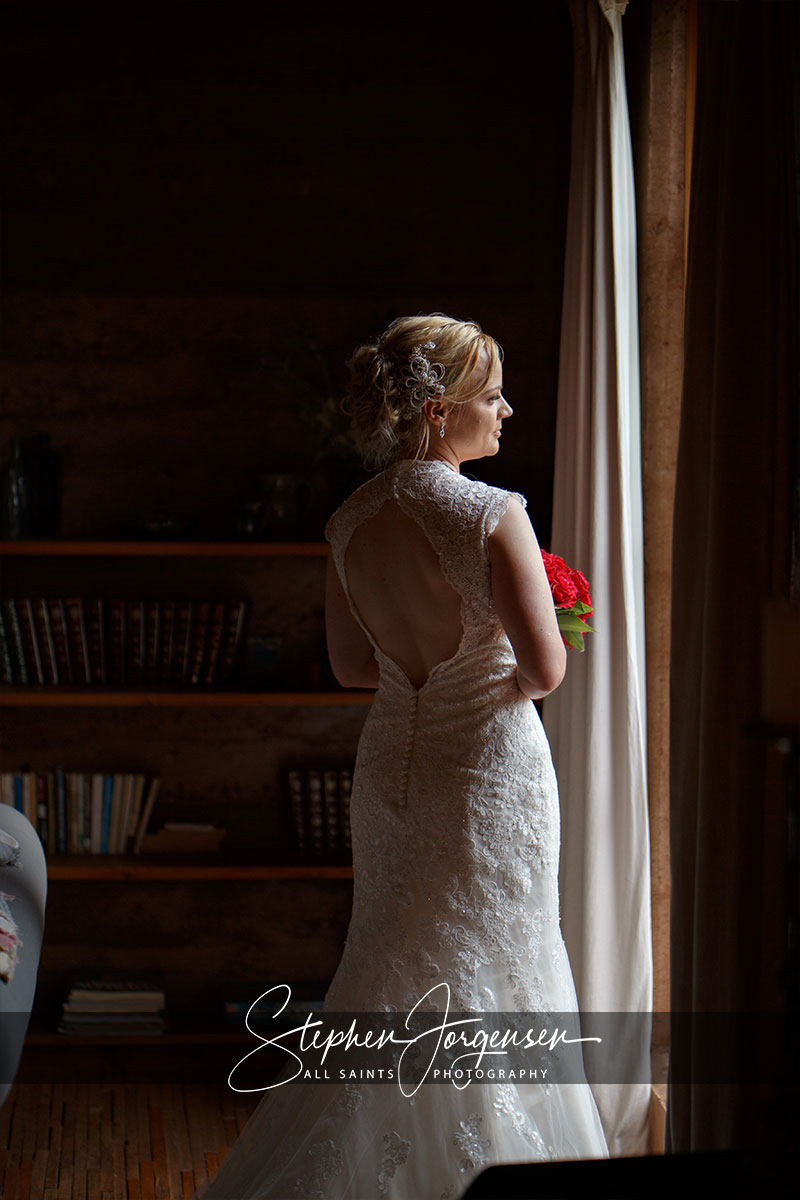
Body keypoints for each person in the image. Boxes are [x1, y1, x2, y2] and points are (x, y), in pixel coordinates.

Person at [194, 314, 608, 1199]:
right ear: (435, 407)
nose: (507, 409)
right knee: (500, 968)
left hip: (392, 772)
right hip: (488, 773)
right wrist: (545, 628)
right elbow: (543, 671)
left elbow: (351, 666)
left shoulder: (349, 522)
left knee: (385, 965)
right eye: (490, 394)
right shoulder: (493, 515)